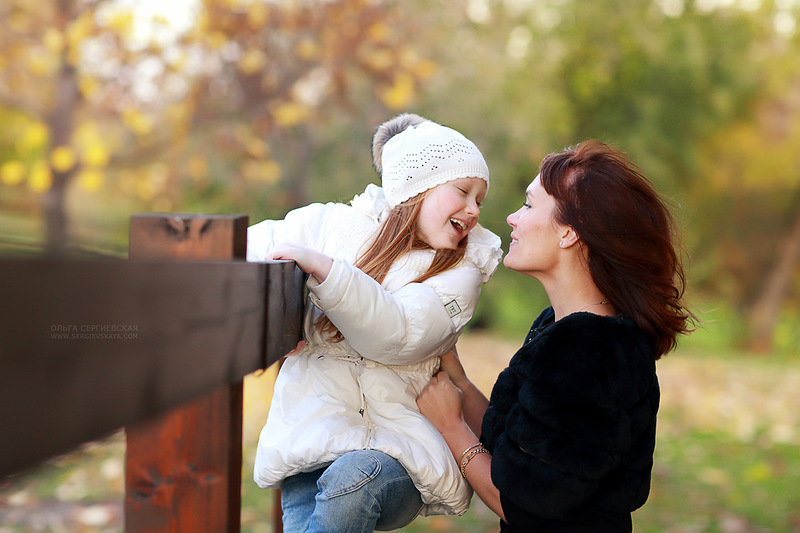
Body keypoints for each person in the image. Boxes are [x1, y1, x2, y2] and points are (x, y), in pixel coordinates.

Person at [417, 140, 694, 532]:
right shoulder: (565, 329)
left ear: (569, 232)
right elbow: (521, 448)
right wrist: (459, 381)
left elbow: (523, 507)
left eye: (529, 205)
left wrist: (451, 428)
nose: (512, 218)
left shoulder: (591, 352)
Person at [247, 113, 503, 532]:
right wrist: (271, 319)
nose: (474, 210)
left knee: (355, 477)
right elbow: (241, 253)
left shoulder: (460, 271)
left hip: (399, 454)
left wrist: (326, 272)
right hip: (310, 443)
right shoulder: (328, 226)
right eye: (462, 191)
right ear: (415, 186)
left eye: (480, 199)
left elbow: (399, 334)